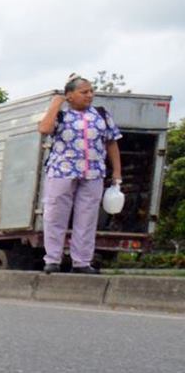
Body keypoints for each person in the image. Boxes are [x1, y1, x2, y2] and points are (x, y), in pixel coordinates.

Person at [38, 76, 122, 275]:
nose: (89, 95)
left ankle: (82, 262)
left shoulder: (101, 115)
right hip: (61, 172)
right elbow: (44, 129)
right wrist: (55, 105)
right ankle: (53, 260)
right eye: (84, 92)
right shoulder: (61, 115)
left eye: (91, 91)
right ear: (70, 96)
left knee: (87, 218)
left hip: (93, 173)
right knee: (55, 217)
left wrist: (117, 172)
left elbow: (112, 142)